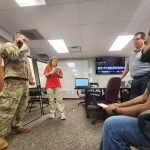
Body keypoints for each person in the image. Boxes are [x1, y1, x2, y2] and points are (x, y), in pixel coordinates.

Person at [100, 31, 150, 150]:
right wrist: (119, 104)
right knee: (131, 110)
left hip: (144, 78)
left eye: (146, 43)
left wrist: (117, 110)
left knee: (111, 124)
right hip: (136, 80)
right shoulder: (133, 54)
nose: (144, 46)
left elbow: (146, 107)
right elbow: (142, 98)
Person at [0, 33, 35, 149]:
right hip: (13, 81)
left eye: (26, 39)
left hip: (24, 82)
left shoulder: (23, 51)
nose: (25, 40)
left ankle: (16, 126)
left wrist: (30, 78)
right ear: (16, 38)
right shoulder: (7, 45)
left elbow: (27, 65)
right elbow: (15, 56)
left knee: (22, 106)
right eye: (22, 38)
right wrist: (24, 45)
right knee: (7, 107)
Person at [121, 32, 150, 99]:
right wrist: (121, 78)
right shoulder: (132, 54)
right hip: (135, 80)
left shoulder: (147, 50)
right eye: (134, 39)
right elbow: (127, 68)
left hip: (146, 78)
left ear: (144, 40)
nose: (135, 41)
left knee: (145, 99)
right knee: (133, 99)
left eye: (137, 39)